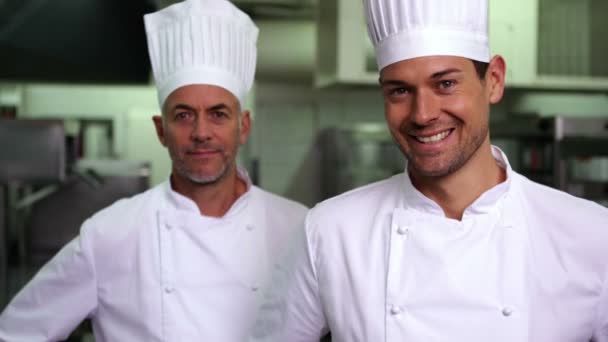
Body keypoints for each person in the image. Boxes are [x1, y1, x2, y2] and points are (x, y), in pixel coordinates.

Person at [249, 0, 608, 341]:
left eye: (445, 84)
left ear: (494, 80)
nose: (423, 114)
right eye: (400, 90)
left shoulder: (591, 235)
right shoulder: (329, 232)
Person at [0, 0, 307, 340]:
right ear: (161, 130)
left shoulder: (300, 230)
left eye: (218, 114)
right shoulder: (110, 234)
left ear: (244, 126)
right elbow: (17, 333)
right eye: (184, 115)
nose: (201, 132)